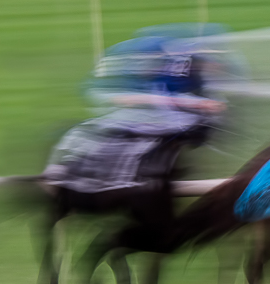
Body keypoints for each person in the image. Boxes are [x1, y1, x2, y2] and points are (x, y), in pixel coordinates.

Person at [45, 24, 231, 193]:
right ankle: (60, 173)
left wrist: (200, 103)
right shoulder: (137, 64)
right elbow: (143, 98)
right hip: (114, 97)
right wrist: (197, 104)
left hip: (138, 99)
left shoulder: (177, 62)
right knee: (108, 130)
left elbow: (168, 95)